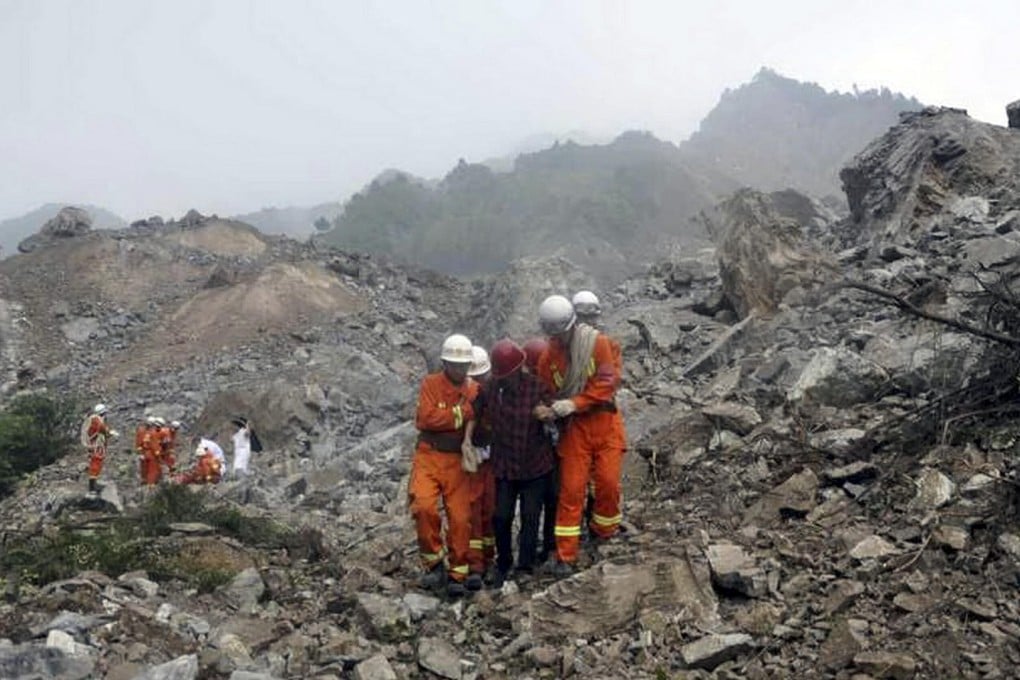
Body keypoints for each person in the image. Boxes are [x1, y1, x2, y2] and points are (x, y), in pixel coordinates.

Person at [535, 294, 626, 576]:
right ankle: (566, 553)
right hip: (575, 430)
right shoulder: (549, 356)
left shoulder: (597, 344)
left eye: (561, 333)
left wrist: (575, 403)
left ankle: (604, 531)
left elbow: (607, 383)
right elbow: (546, 389)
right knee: (572, 490)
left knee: (608, 483)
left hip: (604, 422)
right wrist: (547, 408)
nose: (558, 338)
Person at [475, 338, 556, 587]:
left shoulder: (537, 387)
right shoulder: (490, 390)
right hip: (505, 466)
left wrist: (549, 413)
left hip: (535, 466)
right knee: (501, 516)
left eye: (508, 374)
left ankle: (525, 565)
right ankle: (503, 562)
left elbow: (556, 413)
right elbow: (473, 411)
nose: (505, 379)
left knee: (531, 517)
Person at [409, 333, 478, 597]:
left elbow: (475, 417)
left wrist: (450, 419)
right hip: (428, 455)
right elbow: (425, 419)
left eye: (463, 365)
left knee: (460, 517)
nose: (459, 369)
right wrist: (460, 414)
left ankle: (458, 572)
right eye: (454, 364)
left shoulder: (474, 389)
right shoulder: (430, 384)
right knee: (423, 506)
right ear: (445, 363)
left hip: (456, 460)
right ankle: (433, 562)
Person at [522, 337, 558, 565]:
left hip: (548, 453)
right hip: (543, 455)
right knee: (544, 503)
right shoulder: (539, 384)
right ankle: (544, 546)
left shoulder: (542, 385)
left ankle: (546, 546)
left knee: (547, 502)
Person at [463, 345, 495, 591]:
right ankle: (475, 565)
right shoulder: (463, 398)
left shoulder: (496, 393)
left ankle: (488, 557)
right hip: (471, 463)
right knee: (472, 511)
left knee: (491, 511)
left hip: (492, 461)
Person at [82, 403, 117, 493]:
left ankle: (93, 486)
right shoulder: (97, 421)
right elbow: (103, 430)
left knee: (95, 464)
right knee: (95, 465)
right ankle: (92, 488)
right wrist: (111, 433)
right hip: (97, 447)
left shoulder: (93, 420)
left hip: (94, 445)